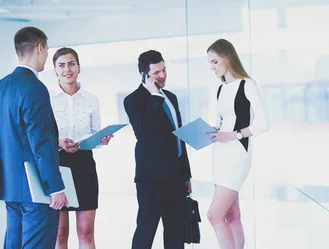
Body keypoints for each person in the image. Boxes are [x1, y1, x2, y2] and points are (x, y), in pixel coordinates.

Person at [0, 26, 68, 249]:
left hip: (10, 185)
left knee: (14, 245)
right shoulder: (35, 88)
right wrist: (55, 188)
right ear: (39, 48)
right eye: (47, 50)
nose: (47, 56)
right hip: (35, 188)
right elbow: (41, 143)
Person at [123, 50, 193, 249]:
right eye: (156, 73)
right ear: (145, 75)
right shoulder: (133, 100)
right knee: (146, 230)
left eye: (164, 70)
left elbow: (179, 138)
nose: (162, 76)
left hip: (175, 177)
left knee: (175, 232)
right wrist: (154, 96)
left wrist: (186, 175)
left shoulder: (171, 97)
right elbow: (143, 132)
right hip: (151, 179)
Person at [205, 38, 270, 249]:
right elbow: (222, 123)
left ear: (227, 57)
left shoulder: (247, 84)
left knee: (214, 216)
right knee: (232, 216)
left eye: (214, 62)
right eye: (210, 63)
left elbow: (263, 123)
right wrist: (214, 132)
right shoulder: (221, 89)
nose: (212, 67)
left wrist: (233, 135)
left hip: (237, 154)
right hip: (220, 154)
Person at [50, 47, 113, 249]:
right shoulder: (47, 101)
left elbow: (95, 131)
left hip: (84, 165)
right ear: (55, 70)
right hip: (57, 166)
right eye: (61, 65)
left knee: (86, 232)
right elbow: (41, 137)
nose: (67, 69)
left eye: (71, 64)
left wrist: (101, 140)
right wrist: (58, 142)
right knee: (60, 234)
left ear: (79, 67)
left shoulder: (91, 99)